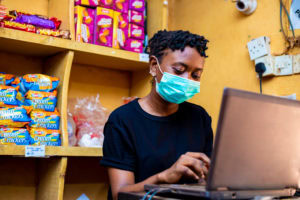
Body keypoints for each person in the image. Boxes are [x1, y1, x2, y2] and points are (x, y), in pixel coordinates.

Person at [100, 30, 213, 200]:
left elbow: (208, 179)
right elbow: (120, 194)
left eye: (196, 75)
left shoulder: (199, 117)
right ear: (154, 66)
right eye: (179, 70)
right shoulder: (123, 120)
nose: (187, 79)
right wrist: (164, 177)